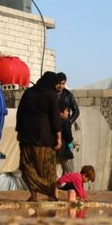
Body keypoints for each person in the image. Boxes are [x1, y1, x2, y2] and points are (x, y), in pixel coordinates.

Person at [16, 71, 62, 202]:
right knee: (47, 168)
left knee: (28, 167)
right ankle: (51, 194)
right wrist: (58, 138)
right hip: (44, 138)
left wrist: (19, 131)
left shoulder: (28, 93)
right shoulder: (51, 95)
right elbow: (55, 118)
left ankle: (34, 195)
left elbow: (20, 114)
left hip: (27, 137)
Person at [57, 107, 76, 174]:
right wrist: (71, 145)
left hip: (56, 152)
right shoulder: (65, 122)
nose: (68, 113)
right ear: (61, 112)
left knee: (59, 173)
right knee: (70, 173)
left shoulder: (53, 122)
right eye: (67, 111)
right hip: (65, 152)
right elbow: (68, 138)